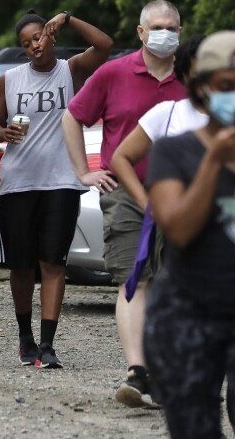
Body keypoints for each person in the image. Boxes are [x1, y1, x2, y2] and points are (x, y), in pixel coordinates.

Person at [62, 0, 185, 408]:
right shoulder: (114, 73)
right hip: (126, 194)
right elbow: (72, 116)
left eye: (171, 27)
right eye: (157, 27)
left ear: (180, 33)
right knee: (135, 277)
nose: (164, 33)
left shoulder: (192, 80)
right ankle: (137, 371)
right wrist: (85, 171)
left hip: (184, 194)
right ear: (141, 32)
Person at [0, 10, 112, 368]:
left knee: (53, 262)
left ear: (50, 35)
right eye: (25, 43)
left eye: (38, 38)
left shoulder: (69, 70)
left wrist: (68, 18)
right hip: (18, 183)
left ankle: (47, 344)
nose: (33, 47)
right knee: (22, 266)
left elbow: (104, 45)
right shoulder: (9, 80)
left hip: (61, 180)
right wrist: (4, 132)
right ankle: (25, 336)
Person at [143, 30, 235, 438]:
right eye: (227, 86)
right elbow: (178, 228)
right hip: (186, 318)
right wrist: (214, 160)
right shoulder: (175, 152)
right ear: (202, 89)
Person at [111, 36, 208, 212]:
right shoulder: (168, 113)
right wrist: (147, 205)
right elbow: (121, 158)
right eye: (198, 74)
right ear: (185, 77)